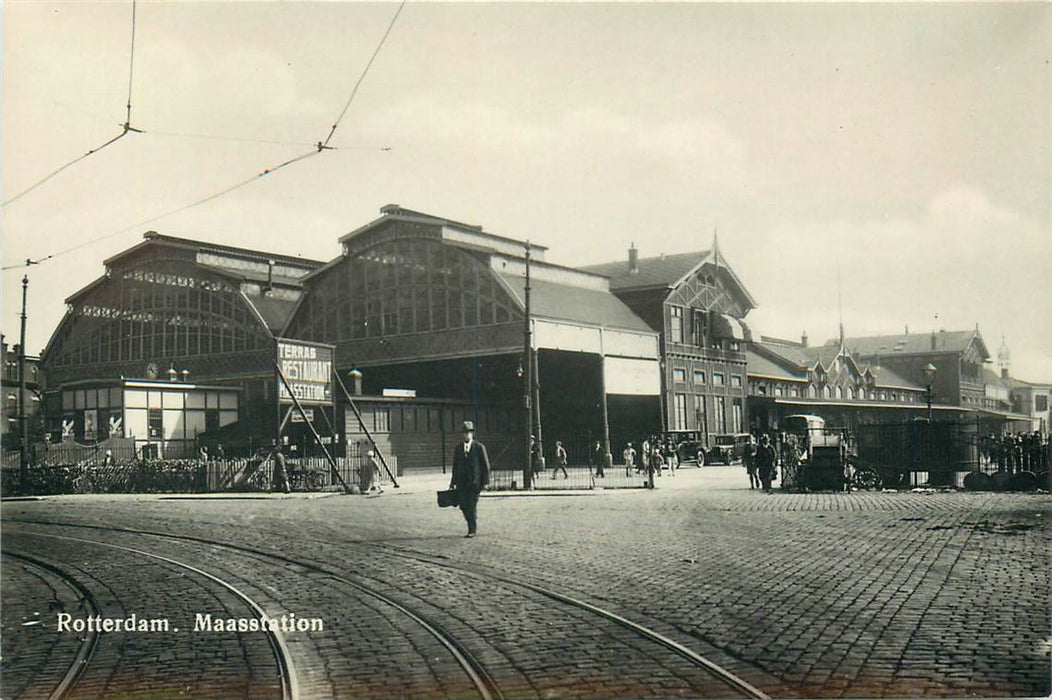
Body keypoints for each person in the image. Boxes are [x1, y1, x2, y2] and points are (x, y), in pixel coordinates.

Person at [450, 421, 490, 537]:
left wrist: (485, 482)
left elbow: (485, 466)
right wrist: (453, 482)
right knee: (463, 505)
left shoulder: (479, 447)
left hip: (474, 483)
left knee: (471, 505)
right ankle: (471, 521)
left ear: (472, 434)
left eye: (468, 433)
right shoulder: (458, 448)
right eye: (464, 433)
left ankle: (472, 529)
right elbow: (455, 466)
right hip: (462, 483)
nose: (466, 435)